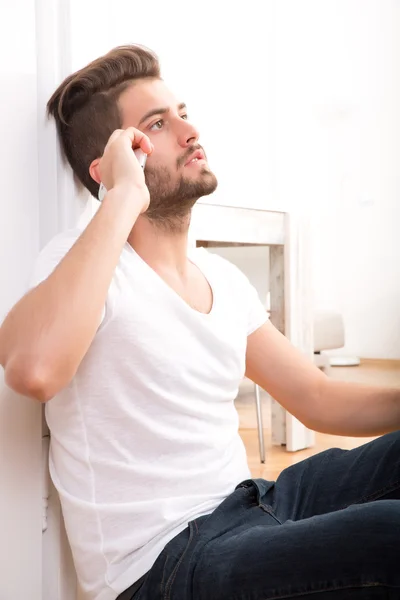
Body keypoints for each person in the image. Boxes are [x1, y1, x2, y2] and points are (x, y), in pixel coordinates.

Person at [0, 44, 399, 600]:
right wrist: (122, 196)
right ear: (114, 162)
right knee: (389, 534)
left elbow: (315, 396)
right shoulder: (84, 263)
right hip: (167, 561)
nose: (189, 131)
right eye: (157, 124)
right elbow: (34, 369)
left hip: (254, 502)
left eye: (182, 112)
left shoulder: (220, 276)